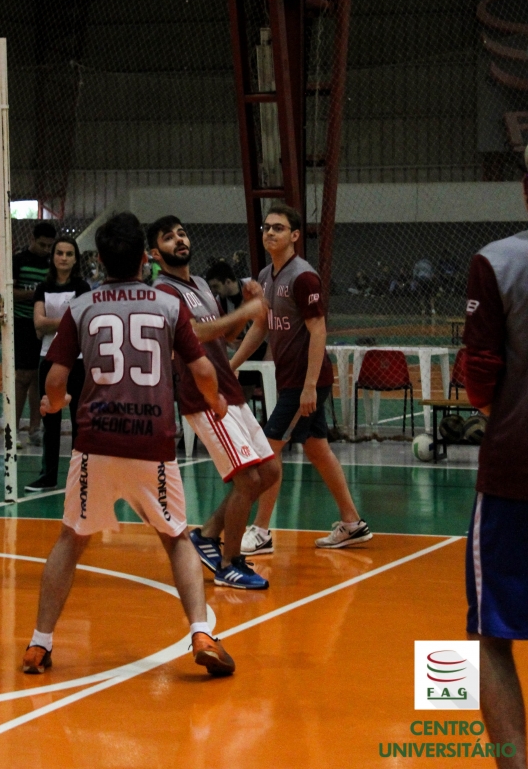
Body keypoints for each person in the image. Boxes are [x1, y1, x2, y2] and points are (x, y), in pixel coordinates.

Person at [21, 212, 235, 679]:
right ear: (145, 259)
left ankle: (39, 643)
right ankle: (201, 632)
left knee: (71, 538)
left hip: (95, 443)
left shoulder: (82, 306)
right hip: (151, 443)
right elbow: (201, 370)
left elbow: (55, 378)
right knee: (176, 539)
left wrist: (54, 403)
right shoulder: (167, 304)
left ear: (98, 261)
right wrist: (215, 400)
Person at [231, 205, 372, 554]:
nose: (270, 232)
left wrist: (309, 386)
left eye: (278, 228)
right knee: (316, 448)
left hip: (306, 381)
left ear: (294, 235)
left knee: (268, 450)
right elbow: (261, 327)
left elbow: (318, 329)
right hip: (291, 380)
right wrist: (231, 365)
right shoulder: (266, 276)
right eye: (267, 227)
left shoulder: (303, 277)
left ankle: (261, 531)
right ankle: (352, 523)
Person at [147, 216, 278, 590]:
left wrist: (246, 306)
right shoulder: (163, 291)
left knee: (269, 472)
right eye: (169, 238)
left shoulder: (202, 284)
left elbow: (226, 335)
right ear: (155, 253)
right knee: (248, 479)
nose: (179, 240)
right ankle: (229, 564)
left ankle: (206, 535)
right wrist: (244, 312)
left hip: (228, 390)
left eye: (182, 233)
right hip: (203, 397)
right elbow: (193, 334)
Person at [463, 157, 528, 769]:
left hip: (515, 471)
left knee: (493, 635)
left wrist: (498, 410)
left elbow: (479, 379)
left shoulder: (498, 262)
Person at [25, 237, 91, 493]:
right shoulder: (43, 287)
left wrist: (52, 323)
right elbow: (38, 323)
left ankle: (80, 477)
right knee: (50, 421)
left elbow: (81, 322)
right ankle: (48, 476)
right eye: (59, 253)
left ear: (76, 259)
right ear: (53, 257)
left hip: (78, 360)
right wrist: (64, 321)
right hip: (48, 358)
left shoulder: (82, 287)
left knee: (78, 421)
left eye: (69, 254)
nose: (63, 257)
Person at [12, 221, 56, 448]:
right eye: (42, 245)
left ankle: (35, 429)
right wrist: (35, 295)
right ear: (32, 239)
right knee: (22, 377)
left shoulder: (52, 263)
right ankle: (12, 429)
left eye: (49, 246)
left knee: (40, 378)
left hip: (45, 327)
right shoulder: (18, 261)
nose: (46, 249)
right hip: (23, 323)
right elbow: (9, 291)